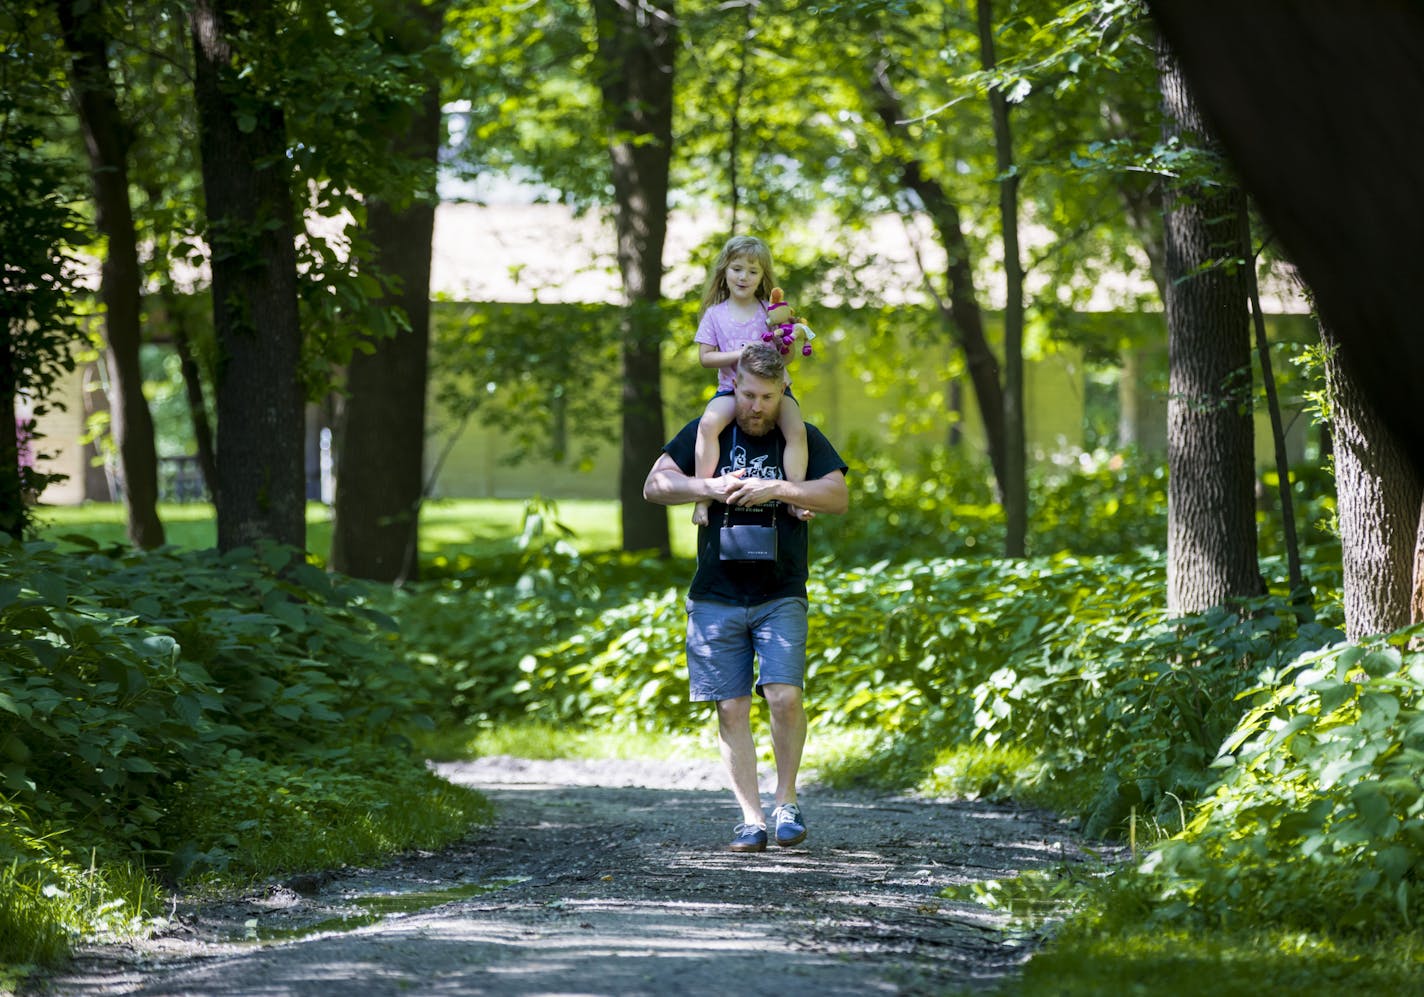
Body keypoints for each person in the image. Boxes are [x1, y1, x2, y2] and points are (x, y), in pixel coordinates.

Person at [643, 341, 849, 853]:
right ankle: (751, 818)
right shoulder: (710, 429)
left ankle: (787, 803)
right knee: (731, 708)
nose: (756, 407)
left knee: (784, 696)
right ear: (735, 386)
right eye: (749, 395)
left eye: (767, 397)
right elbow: (654, 486)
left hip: (781, 591)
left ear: (783, 391)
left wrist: (776, 490)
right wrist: (709, 487)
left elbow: (837, 497)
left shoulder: (798, 434)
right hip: (715, 594)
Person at [689, 236, 809, 528]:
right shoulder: (715, 315)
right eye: (737, 269)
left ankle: (795, 498)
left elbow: (786, 359)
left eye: (753, 272)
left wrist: (786, 343)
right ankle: (702, 497)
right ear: (724, 272)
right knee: (707, 426)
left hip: (772, 390)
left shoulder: (768, 312)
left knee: (796, 430)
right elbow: (706, 357)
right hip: (732, 389)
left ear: (762, 278)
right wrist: (738, 354)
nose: (744, 277)